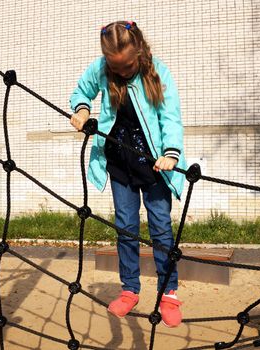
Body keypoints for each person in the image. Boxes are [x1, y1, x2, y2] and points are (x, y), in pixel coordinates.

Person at [69, 21, 187, 328]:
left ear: (140, 51)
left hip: (155, 162)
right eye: (115, 66)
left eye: (127, 65)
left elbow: (170, 116)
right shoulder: (102, 68)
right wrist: (82, 110)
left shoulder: (157, 72)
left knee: (160, 228)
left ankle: (168, 292)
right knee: (125, 226)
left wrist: (171, 153)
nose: (122, 71)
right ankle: (130, 289)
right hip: (119, 160)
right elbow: (82, 90)